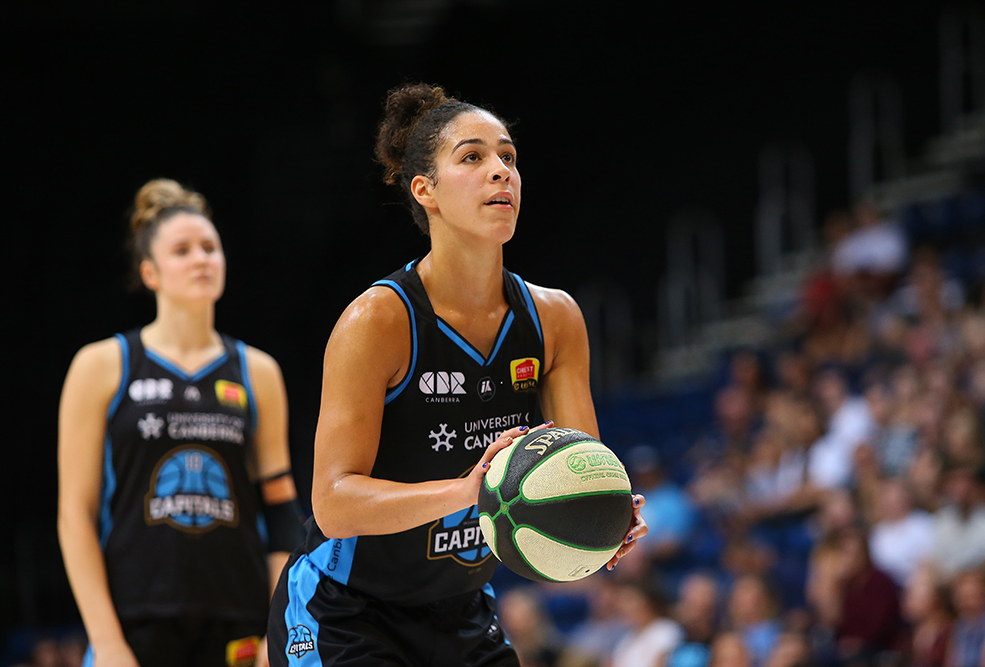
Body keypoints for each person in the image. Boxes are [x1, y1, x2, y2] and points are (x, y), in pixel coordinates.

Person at [266, 83, 647, 666]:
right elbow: (334, 503)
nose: (500, 172)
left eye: (508, 157)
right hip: (345, 610)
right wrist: (471, 491)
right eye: (472, 157)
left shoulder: (556, 319)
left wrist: (603, 515)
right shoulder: (378, 320)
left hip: (463, 609)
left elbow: (580, 464)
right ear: (426, 191)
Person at [58, 179, 301, 667]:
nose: (202, 259)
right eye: (183, 250)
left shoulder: (258, 371)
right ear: (150, 272)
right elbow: (75, 516)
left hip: (240, 617)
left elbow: (280, 513)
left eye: (210, 248)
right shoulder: (102, 365)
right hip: (134, 621)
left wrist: (280, 625)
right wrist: (105, 641)